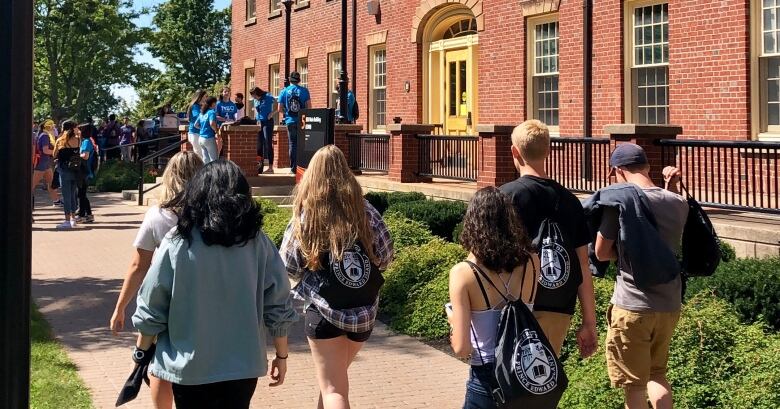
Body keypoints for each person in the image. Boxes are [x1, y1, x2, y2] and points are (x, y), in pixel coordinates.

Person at [132, 160, 297, 409]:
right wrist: (281, 354)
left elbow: (152, 303)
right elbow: (279, 302)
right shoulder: (258, 243)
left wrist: (141, 352)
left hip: (190, 366)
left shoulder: (177, 241)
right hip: (243, 365)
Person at [281, 145, 393, 409]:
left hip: (324, 312)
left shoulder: (307, 215)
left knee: (333, 390)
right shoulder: (366, 211)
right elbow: (386, 256)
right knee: (334, 383)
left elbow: (287, 265)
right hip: (363, 312)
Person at [588, 144, 687, 409]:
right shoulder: (677, 202)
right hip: (669, 305)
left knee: (634, 385)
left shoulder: (620, 201)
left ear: (618, 171)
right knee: (658, 374)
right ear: (647, 167)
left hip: (632, 304)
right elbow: (663, 236)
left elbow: (600, 252)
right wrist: (672, 186)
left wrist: (623, 255)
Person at [109, 151, 203, 409]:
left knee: (158, 364)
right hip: (203, 299)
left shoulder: (158, 216)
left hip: (162, 301)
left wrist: (120, 307)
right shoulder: (211, 216)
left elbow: (138, 265)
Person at [499, 120, 598, 358]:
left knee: (508, 381)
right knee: (544, 381)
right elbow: (583, 264)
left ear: (514, 151)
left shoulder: (506, 196)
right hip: (558, 304)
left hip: (513, 303)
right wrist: (589, 322)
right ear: (548, 151)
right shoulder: (571, 201)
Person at [446, 186, 540, 409]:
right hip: (525, 370)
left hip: (488, 376)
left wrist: (452, 320)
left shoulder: (463, 273)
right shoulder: (532, 261)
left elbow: (462, 349)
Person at [277, 71, 311, 173]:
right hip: (302, 120)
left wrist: (287, 113)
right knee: (303, 144)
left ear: (290, 80)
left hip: (290, 121)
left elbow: (279, 109)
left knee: (293, 144)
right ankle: (303, 167)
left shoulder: (284, 91)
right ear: (299, 80)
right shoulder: (304, 91)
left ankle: (293, 169)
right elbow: (309, 107)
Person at [52, 121, 82, 229]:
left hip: (64, 170)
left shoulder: (60, 140)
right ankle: (73, 218)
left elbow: (54, 154)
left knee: (66, 196)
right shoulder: (78, 140)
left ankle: (67, 220)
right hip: (76, 170)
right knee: (73, 194)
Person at [31, 119, 61, 208]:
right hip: (41, 163)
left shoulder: (45, 135)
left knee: (51, 183)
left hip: (45, 162)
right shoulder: (45, 136)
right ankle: (25, 200)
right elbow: (45, 150)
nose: (54, 128)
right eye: (52, 126)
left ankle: (56, 200)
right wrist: (56, 152)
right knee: (32, 184)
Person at [250, 87, 277, 174]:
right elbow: (256, 111)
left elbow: (278, 104)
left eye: (254, 96)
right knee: (259, 145)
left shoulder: (268, 97)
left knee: (268, 143)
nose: (253, 98)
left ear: (258, 93)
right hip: (259, 122)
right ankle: (259, 167)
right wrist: (256, 119)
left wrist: (272, 113)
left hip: (268, 122)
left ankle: (270, 167)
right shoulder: (255, 100)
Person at [76, 123, 96, 223]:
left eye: (79, 130)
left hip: (84, 172)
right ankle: (89, 214)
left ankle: (82, 215)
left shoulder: (86, 142)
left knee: (81, 194)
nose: (77, 132)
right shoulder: (87, 141)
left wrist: (76, 155)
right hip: (86, 172)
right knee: (82, 194)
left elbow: (85, 156)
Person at [197, 97, 220, 164]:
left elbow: (196, 125)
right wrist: (216, 131)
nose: (216, 105)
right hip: (209, 138)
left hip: (201, 138)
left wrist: (202, 129)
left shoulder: (202, 113)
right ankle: (214, 174)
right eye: (215, 103)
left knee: (205, 159)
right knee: (214, 160)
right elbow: (212, 123)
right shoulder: (211, 112)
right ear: (213, 103)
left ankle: (206, 173)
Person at [186, 90, 207, 158]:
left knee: (203, 155)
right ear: (200, 97)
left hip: (200, 133)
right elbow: (197, 116)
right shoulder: (195, 106)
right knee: (199, 155)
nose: (206, 98)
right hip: (195, 133)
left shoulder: (201, 106)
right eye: (205, 96)